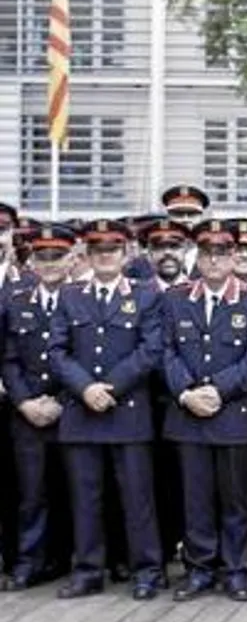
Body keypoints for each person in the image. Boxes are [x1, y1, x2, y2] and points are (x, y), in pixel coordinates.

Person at [49, 220, 166, 600]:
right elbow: (56, 351)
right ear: (87, 255)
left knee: (138, 498)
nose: (105, 257)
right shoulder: (71, 295)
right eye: (97, 250)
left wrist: (110, 387)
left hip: (126, 410)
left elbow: (151, 349)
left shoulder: (146, 295)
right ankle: (87, 570)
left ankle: (147, 570)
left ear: (125, 254)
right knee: (86, 497)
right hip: (82, 412)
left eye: (112, 250)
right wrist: (85, 388)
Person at [161, 219, 247, 602]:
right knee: (195, 498)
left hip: (234, 414)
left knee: (235, 499)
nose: (214, 260)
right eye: (207, 253)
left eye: (222, 253)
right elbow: (166, 352)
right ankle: (199, 569)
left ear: (233, 257)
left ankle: (234, 569)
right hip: (188, 415)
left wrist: (217, 390)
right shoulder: (176, 298)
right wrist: (186, 393)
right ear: (197, 255)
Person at [0, 226, 77, 589]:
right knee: (32, 493)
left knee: (74, 490)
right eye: (42, 257)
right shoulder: (16, 300)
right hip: (27, 413)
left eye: (56, 256)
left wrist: (61, 402)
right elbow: (9, 359)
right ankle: (29, 561)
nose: (49, 264)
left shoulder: (82, 299)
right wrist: (24, 402)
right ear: (31, 260)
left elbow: (89, 359)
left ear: (72, 259)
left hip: (73, 411)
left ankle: (67, 560)